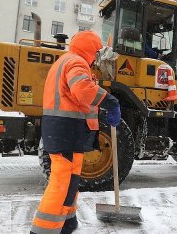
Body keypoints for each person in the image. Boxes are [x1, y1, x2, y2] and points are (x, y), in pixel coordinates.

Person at [30, 31, 121, 234]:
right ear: (91, 50)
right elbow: (82, 89)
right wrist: (111, 101)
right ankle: (43, 230)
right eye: (97, 52)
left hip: (66, 129)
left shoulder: (69, 61)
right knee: (62, 182)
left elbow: (77, 97)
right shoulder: (76, 62)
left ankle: (67, 221)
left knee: (71, 179)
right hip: (65, 129)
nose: (99, 57)